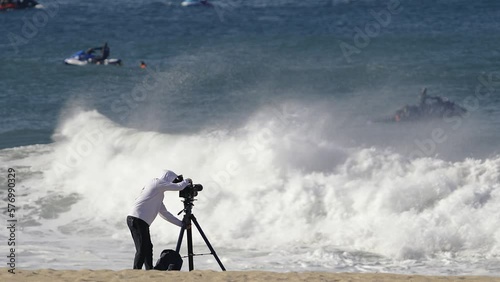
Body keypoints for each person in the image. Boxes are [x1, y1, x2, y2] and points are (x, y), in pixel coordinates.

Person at [127, 170, 192, 270]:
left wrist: (181, 224)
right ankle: (136, 272)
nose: (172, 184)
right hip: (137, 219)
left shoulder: (157, 194)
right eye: (173, 181)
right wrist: (187, 181)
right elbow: (178, 187)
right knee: (142, 248)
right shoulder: (156, 182)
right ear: (168, 178)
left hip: (140, 221)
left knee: (148, 247)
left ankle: (149, 270)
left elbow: (165, 214)